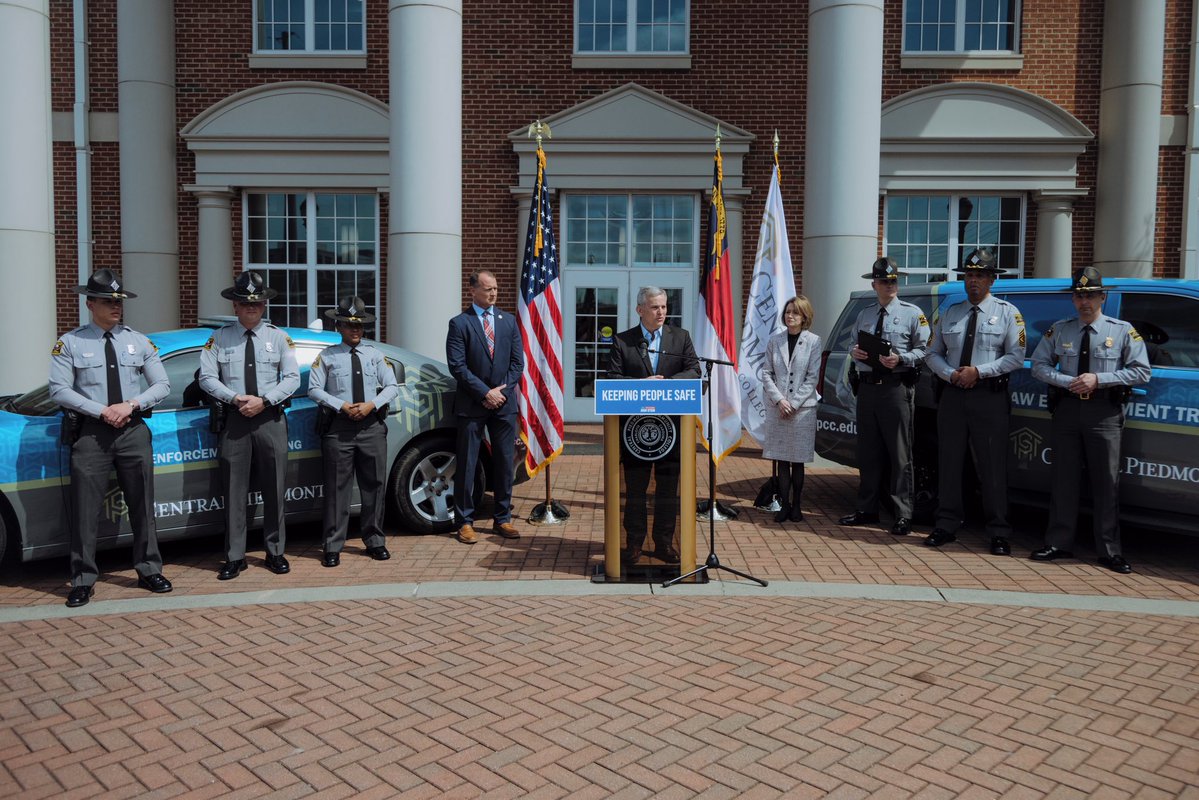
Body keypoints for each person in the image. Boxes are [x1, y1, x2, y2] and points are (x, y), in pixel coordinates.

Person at [49, 269, 173, 608]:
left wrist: (130, 404)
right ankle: (83, 579)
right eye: (108, 301)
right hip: (92, 432)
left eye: (119, 301)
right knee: (85, 510)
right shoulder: (71, 342)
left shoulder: (139, 341)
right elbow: (58, 389)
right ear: (90, 304)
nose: (116, 307)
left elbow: (162, 385)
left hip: (132, 431)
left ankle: (149, 569)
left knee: (142, 505)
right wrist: (101, 410)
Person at [1029, 266, 1150, 574]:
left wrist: (1100, 379)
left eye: (1091, 296)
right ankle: (1059, 542)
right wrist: (1063, 380)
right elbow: (1039, 365)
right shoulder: (1060, 329)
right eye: (1080, 296)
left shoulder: (1122, 330)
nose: (1085, 302)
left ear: (1102, 297)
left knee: (1106, 483)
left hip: (1104, 413)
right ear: (1072, 299)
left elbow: (1141, 371)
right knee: (1064, 478)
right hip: (1067, 409)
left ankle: (1109, 550)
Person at [923, 248, 1026, 555]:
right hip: (953, 395)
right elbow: (932, 353)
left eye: (980, 275)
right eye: (969, 275)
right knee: (949, 462)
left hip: (989, 397)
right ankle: (946, 524)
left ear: (992, 280)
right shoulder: (950, 312)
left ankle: (998, 530)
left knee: (993, 466)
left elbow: (1016, 356)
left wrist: (978, 372)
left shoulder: (1009, 313)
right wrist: (950, 374)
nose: (973, 281)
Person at [199, 271, 300, 579]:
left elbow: (293, 378)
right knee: (234, 491)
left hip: (269, 418)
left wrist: (265, 401)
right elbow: (206, 378)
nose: (251, 308)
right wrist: (234, 398)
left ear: (265, 305)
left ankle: (275, 552)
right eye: (245, 303)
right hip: (235, 420)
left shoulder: (279, 338)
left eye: (257, 303)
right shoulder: (218, 338)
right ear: (235, 306)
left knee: (275, 487)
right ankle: (234, 556)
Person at [605, 286, 701, 563]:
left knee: (668, 489)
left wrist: (668, 385)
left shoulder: (680, 337)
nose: (661, 312)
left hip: (672, 429)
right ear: (640, 310)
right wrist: (640, 385)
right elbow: (612, 378)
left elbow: (694, 369)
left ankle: (664, 543)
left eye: (664, 307)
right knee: (635, 490)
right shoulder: (623, 341)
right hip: (635, 430)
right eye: (655, 307)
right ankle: (633, 543)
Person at [838, 257, 930, 536]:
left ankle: (903, 513)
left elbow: (926, 350)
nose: (889, 285)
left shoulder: (913, 314)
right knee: (868, 452)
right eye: (883, 281)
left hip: (895, 388)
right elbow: (853, 343)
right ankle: (867, 509)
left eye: (893, 281)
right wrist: (856, 352)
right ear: (874, 283)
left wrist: (901, 358)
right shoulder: (864, 314)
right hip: (867, 389)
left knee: (900, 454)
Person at [308, 296, 400, 566]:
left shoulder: (374, 355)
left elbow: (392, 386)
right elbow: (314, 389)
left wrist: (372, 403)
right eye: (349, 325)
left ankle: (374, 541)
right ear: (339, 326)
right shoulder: (326, 356)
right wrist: (341, 405)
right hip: (339, 428)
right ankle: (333, 546)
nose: (355, 330)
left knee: (374, 487)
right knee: (338, 490)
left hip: (371, 426)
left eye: (359, 325)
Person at [446, 270, 524, 544]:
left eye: (495, 288)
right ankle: (464, 521)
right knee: (467, 463)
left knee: (504, 463)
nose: (493, 293)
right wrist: (484, 393)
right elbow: (457, 366)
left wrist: (500, 392)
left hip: (504, 404)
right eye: (487, 288)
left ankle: (502, 518)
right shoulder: (459, 324)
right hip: (473, 404)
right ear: (472, 291)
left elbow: (517, 364)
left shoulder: (509, 322)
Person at [760, 295, 822, 523]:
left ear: (804, 316)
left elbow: (812, 376)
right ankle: (784, 505)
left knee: (797, 460)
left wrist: (794, 403)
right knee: (782, 459)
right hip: (778, 409)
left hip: (802, 410)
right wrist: (779, 400)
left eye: (795, 313)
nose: (790, 316)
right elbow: (767, 373)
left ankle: (797, 505)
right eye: (787, 312)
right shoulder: (774, 341)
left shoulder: (814, 341)